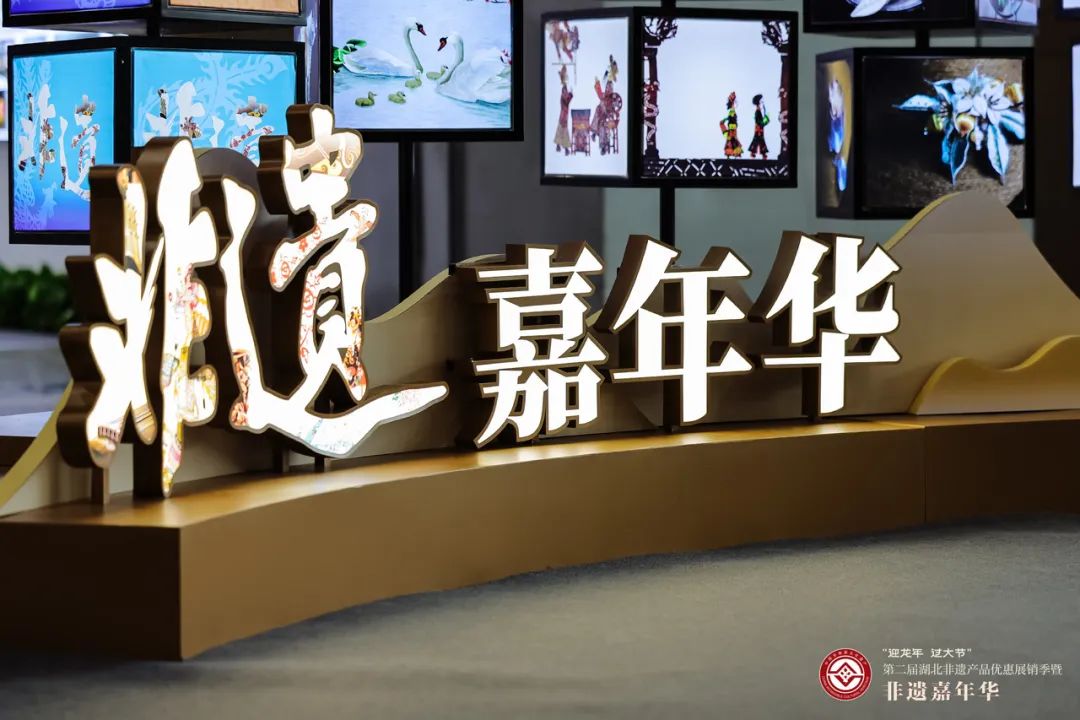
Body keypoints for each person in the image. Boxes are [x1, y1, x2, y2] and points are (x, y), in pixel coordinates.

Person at [554, 65, 573, 156]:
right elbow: (567, 100)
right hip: (564, 115)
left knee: (561, 130)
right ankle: (564, 149)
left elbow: (567, 100)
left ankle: (560, 147)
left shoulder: (564, 93)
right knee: (563, 131)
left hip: (563, 115)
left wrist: (570, 94)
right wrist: (571, 94)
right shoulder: (564, 93)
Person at [719, 92, 743, 158]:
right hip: (731, 130)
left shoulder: (732, 111)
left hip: (732, 130)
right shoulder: (731, 111)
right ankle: (730, 155)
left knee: (732, 141)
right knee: (731, 141)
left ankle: (733, 155)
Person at [749, 94, 770, 159]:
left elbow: (760, 121)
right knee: (759, 140)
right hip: (759, 129)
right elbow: (758, 121)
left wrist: (765, 121)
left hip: (760, 128)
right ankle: (760, 153)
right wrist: (764, 122)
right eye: (761, 101)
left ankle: (758, 153)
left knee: (759, 140)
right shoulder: (757, 111)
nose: (762, 102)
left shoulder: (759, 111)